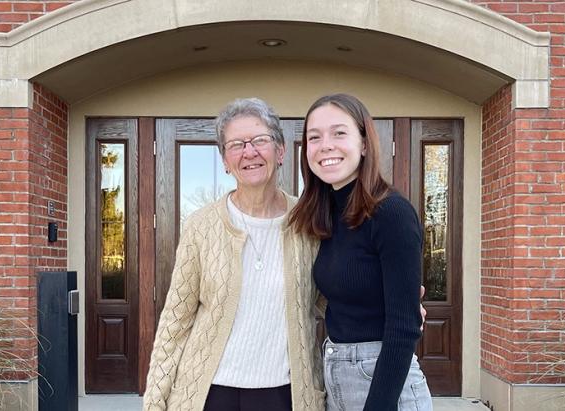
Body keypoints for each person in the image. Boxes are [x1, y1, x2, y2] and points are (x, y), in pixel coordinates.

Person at [142, 98, 325, 411]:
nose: (249, 152)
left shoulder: (309, 222)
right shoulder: (202, 225)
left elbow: (336, 297)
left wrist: (392, 304)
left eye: (260, 141)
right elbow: (175, 322)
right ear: (225, 161)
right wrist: (155, 401)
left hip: (287, 394)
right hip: (209, 394)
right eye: (236, 144)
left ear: (280, 151)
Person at [289, 93, 432, 411]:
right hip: (336, 373)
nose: (325, 145)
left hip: (382, 384)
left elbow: (403, 325)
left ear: (365, 144)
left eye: (339, 133)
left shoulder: (391, 213)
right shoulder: (324, 217)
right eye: (315, 137)